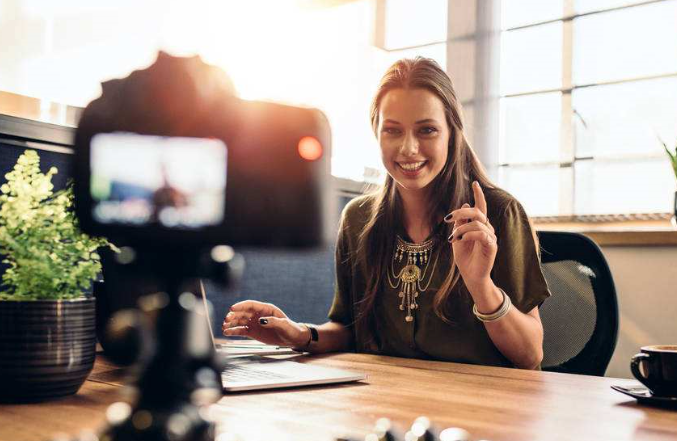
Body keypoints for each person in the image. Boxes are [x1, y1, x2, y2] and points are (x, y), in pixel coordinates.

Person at [223, 57, 550, 369]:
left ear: (452, 133)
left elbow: (530, 355)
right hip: (387, 400)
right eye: (393, 130)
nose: (408, 148)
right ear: (376, 132)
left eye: (427, 130)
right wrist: (299, 334)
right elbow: (349, 329)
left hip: (483, 407)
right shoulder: (358, 220)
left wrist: (481, 286)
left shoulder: (497, 214)